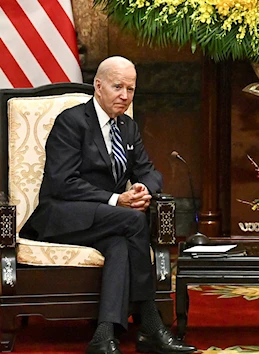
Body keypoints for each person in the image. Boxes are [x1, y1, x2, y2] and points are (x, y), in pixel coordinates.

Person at [20, 56, 196, 354]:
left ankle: (104, 336)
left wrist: (143, 188)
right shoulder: (72, 121)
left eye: (130, 89)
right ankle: (150, 323)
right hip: (61, 216)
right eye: (118, 87)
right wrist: (118, 199)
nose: (125, 96)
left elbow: (151, 171)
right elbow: (62, 183)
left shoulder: (127, 127)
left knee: (119, 244)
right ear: (98, 86)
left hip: (108, 221)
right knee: (133, 221)